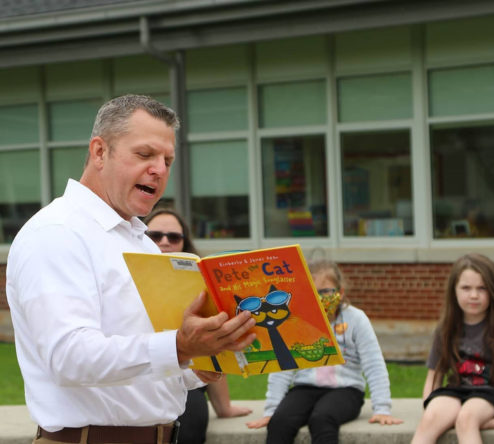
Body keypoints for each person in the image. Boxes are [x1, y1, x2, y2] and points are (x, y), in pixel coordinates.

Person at [6, 94, 256, 444]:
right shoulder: (57, 232)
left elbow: (146, 362)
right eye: (145, 154)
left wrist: (199, 364)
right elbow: (69, 358)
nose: (160, 169)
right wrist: (180, 347)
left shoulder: (140, 239)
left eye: (167, 160)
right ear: (99, 152)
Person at [245, 259, 403, 443]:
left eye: (325, 291)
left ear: (340, 293)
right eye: (312, 293)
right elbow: (283, 367)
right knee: (280, 423)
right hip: (304, 388)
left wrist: (382, 409)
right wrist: (271, 410)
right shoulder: (297, 322)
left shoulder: (356, 319)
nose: (319, 298)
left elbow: (373, 363)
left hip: (346, 390)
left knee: (322, 419)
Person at [143, 208, 252, 443]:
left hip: (189, 384)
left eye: (174, 237)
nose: (165, 242)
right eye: (155, 235)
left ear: (184, 242)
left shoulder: (200, 285)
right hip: (140, 381)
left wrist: (224, 408)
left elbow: (214, 344)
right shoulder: (122, 279)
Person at [411, 253, 494, 444]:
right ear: (454, 290)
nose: (473, 295)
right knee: (430, 420)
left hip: (491, 393)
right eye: (466, 288)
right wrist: (429, 408)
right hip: (456, 391)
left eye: (482, 288)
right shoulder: (445, 328)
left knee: (466, 419)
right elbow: (434, 377)